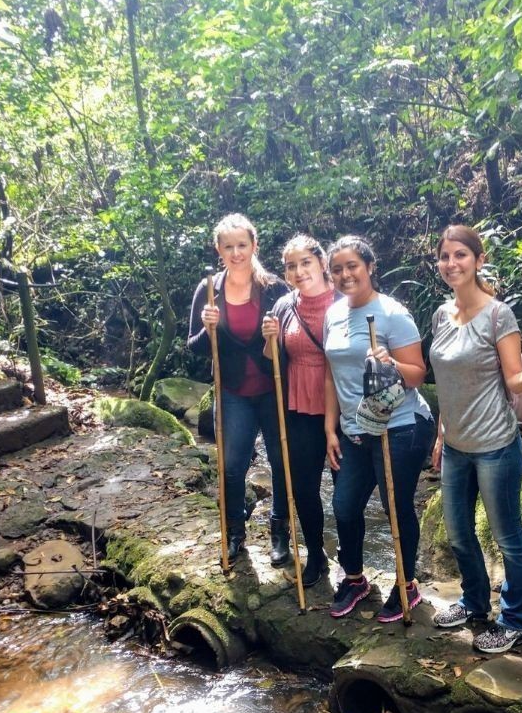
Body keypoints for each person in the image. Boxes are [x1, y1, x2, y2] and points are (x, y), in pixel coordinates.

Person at [427, 224, 522, 654]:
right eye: (444, 256)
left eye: (460, 255)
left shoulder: (499, 315)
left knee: (507, 536)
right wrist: (442, 431)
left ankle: (515, 620)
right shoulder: (443, 315)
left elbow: (514, 381)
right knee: (459, 533)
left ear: (478, 260)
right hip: (457, 445)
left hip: (496, 445)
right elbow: (447, 381)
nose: (451, 263)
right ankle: (474, 602)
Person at [322, 235, 436, 621]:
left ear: (370, 267)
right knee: (344, 505)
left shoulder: (392, 313)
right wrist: (330, 428)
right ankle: (354, 579)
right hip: (354, 428)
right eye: (336, 269)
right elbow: (330, 375)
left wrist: (389, 362)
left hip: (400, 425)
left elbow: (418, 373)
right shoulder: (333, 314)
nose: (344, 274)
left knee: (394, 505)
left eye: (352, 266)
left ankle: (407, 584)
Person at [187, 213, 290, 564]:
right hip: (232, 390)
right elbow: (195, 346)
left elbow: (293, 341)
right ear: (219, 249)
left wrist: (276, 335)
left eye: (242, 245)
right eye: (228, 246)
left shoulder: (274, 287)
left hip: (273, 388)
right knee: (232, 466)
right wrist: (207, 329)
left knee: (280, 462)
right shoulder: (209, 288)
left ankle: (280, 534)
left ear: (254, 245)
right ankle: (234, 534)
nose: (236, 252)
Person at [261, 235, 340, 588]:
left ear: (321, 262)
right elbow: (271, 358)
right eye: (291, 266)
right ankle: (316, 556)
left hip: (341, 408)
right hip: (298, 407)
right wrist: (268, 338)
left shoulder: (345, 301)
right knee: (304, 489)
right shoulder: (283, 306)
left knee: (345, 492)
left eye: (305, 262)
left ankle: (352, 565)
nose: (298, 271)